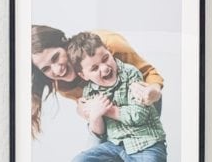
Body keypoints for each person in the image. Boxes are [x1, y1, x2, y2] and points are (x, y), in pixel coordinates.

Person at [30, 25, 163, 139]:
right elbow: (90, 105)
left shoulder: (109, 43)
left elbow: (149, 72)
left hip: (142, 101)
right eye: (46, 68)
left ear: (64, 43)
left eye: (55, 57)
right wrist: (83, 110)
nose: (58, 70)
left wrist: (153, 91)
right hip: (110, 114)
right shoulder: (62, 85)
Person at [65, 32, 167, 162]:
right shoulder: (89, 91)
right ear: (84, 75)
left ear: (109, 51)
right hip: (115, 146)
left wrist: (107, 109)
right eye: (94, 68)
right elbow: (100, 133)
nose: (105, 68)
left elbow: (138, 115)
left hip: (146, 144)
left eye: (106, 58)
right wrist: (95, 116)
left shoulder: (131, 73)